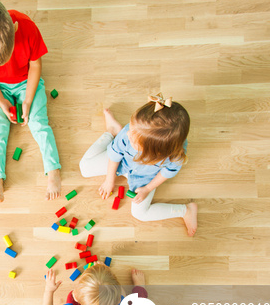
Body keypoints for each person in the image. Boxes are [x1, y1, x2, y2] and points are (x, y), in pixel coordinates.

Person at [0, 0, 62, 204]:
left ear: (14, 29)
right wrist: (0, 101)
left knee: (39, 123)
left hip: (27, 81)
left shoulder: (27, 28)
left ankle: (53, 171)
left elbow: (35, 66)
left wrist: (27, 100)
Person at [79, 94, 198, 236]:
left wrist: (147, 189)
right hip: (123, 163)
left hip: (144, 178)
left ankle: (186, 210)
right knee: (85, 168)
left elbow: (166, 173)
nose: (128, 133)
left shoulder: (174, 156)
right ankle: (111, 132)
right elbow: (114, 156)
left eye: (134, 138)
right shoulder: (129, 133)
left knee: (141, 214)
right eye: (131, 128)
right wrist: (109, 180)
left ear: (153, 153)